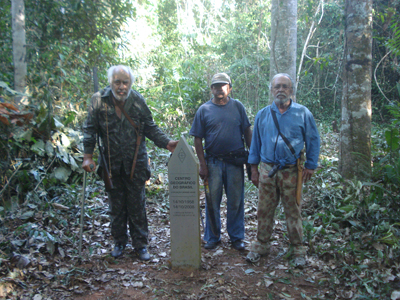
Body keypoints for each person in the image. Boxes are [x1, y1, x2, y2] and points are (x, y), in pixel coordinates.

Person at [82, 65, 178, 261]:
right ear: (111, 82)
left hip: (136, 164)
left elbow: (150, 127)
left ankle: (141, 245)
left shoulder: (137, 101)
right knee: (116, 207)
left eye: (125, 82)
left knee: (137, 205)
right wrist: (87, 156)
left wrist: (166, 143)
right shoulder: (99, 100)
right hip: (111, 165)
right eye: (117, 82)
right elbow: (90, 130)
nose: (121, 86)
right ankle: (119, 242)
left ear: (130, 84)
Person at [246, 73, 320, 266]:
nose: (281, 89)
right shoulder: (262, 114)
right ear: (271, 90)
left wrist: (311, 165)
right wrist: (253, 169)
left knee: (293, 210)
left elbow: (313, 139)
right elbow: (255, 144)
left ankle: (297, 249)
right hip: (267, 169)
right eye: (277, 86)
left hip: (291, 171)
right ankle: (261, 245)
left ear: (291, 90)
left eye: (285, 86)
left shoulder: (303, 113)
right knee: (264, 210)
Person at [190, 73, 252, 251]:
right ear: (211, 89)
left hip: (235, 162)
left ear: (229, 88)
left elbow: (247, 131)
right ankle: (212, 237)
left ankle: (237, 237)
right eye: (216, 86)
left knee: (236, 201)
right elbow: (197, 139)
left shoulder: (238, 107)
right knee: (212, 200)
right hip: (213, 162)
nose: (219, 89)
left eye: (223, 85)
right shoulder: (204, 110)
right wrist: (202, 165)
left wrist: (253, 158)